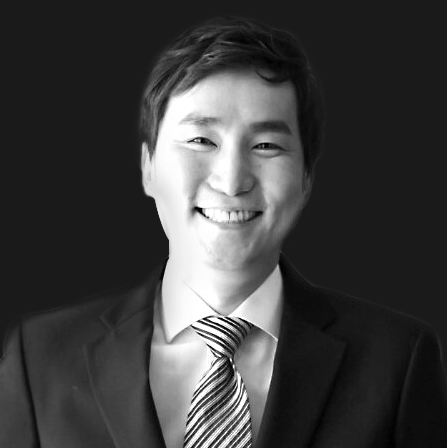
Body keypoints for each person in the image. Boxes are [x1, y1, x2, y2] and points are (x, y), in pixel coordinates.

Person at [1, 15, 446, 448]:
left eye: (266, 145)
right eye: (201, 140)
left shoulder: (397, 361)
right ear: (148, 167)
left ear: (307, 179)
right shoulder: (39, 359)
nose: (232, 181)